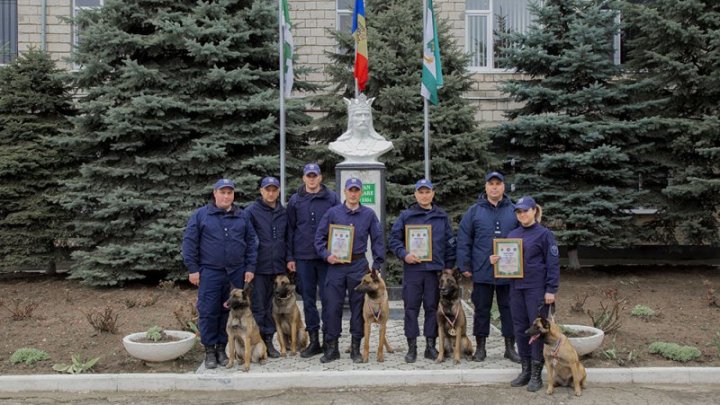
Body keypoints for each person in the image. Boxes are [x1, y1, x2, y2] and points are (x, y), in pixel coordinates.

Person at [182, 178, 257, 369]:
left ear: (233, 195)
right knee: (208, 311)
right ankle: (209, 350)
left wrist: (250, 268)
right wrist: (193, 269)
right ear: (214, 193)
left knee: (229, 312)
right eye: (222, 192)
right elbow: (190, 243)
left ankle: (223, 349)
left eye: (229, 193)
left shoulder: (242, 216)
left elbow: (251, 243)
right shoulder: (201, 215)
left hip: (236, 273)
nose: (226, 196)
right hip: (210, 272)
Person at [492, 196, 560, 392]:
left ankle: (537, 375)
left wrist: (551, 289)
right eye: (519, 212)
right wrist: (496, 260)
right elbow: (506, 261)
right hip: (516, 289)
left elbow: (552, 264)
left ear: (534, 211)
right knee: (521, 328)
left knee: (536, 330)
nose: (522, 214)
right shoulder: (512, 234)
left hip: (536, 290)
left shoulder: (544, 234)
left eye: (526, 210)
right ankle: (525, 370)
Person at [314, 177, 385, 363]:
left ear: (361, 193)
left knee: (358, 308)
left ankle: (355, 348)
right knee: (331, 306)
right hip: (335, 266)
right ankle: (332, 348)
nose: (353, 194)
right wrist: (327, 255)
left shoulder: (369, 214)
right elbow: (319, 238)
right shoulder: (332, 213)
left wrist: (377, 264)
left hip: (358, 266)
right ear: (344, 192)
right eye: (350, 190)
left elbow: (377, 239)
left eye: (356, 190)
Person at [456, 171, 521, 363]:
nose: (494, 187)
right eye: (491, 183)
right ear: (485, 187)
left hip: (509, 271)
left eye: (498, 183)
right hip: (482, 270)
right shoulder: (474, 211)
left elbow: (523, 238)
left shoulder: (514, 211)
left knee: (508, 309)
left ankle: (510, 348)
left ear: (503, 187)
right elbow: (464, 239)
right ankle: (481, 348)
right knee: (481, 309)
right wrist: (465, 264)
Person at [388, 179, 456, 363]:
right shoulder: (406, 216)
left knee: (432, 309)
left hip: (435, 272)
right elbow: (394, 240)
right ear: (415, 194)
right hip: (413, 270)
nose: (424, 195)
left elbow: (450, 243)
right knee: (411, 309)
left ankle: (430, 346)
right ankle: (412, 347)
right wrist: (404, 254)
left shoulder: (441, 216)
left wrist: (448, 267)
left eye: (427, 192)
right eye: (421, 192)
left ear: (433, 193)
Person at [287, 163, 341, 358]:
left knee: (329, 300)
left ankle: (329, 341)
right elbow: (290, 230)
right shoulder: (295, 200)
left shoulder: (332, 198)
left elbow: (340, 226)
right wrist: (290, 257)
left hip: (327, 258)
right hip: (303, 258)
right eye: (308, 176)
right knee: (308, 301)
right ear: (303, 178)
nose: (311, 179)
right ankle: (314, 341)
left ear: (320, 178)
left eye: (314, 176)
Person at [246, 176, 289, 359]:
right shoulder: (251, 212)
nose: (271, 193)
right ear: (261, 191)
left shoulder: (283, 212)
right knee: (259, 306)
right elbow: (247, 239)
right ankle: (259, 341)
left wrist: (289, 259)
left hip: (278, 267)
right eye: (267, 189)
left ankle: (270, 340)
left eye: (274, 190)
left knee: (274, 307)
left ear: (278, 191)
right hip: (259, 267)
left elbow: (288, 237)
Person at [328, 94, 393, 163]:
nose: (363, 119)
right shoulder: (339, 145)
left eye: (366, 115)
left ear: (370, 119)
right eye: (358, 115)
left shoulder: (382, 144)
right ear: (351, 119)